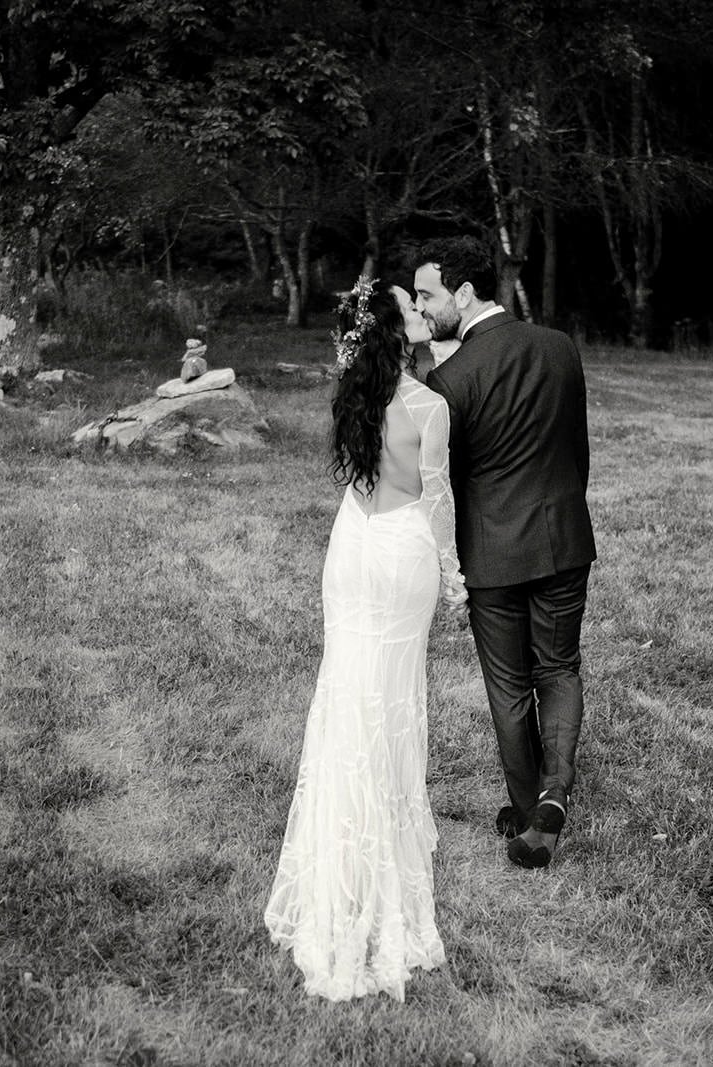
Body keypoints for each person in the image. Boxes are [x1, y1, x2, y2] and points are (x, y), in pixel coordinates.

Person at [264, 278, 467, 1002]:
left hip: (351, 549)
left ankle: (336, 860)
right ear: (396, 329)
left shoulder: (353, 396)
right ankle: (380, 862)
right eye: (411, 309)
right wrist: (455, 577)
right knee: (391, 700)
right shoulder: (430, 406)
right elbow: (436, 497)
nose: (421, 314)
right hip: (404, 551)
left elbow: (361, 481)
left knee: (345, 692)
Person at [413, 236, 596, 871]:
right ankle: (553, 796)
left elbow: (443, 484)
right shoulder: (559, 346)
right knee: (561, 668)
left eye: (428, 294)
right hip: (565, 536)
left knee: (511, 685)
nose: (421, 304)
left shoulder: (447, 380)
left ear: (464, 293)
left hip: (491, 553)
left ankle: (527, 813)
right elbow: (577, 450)